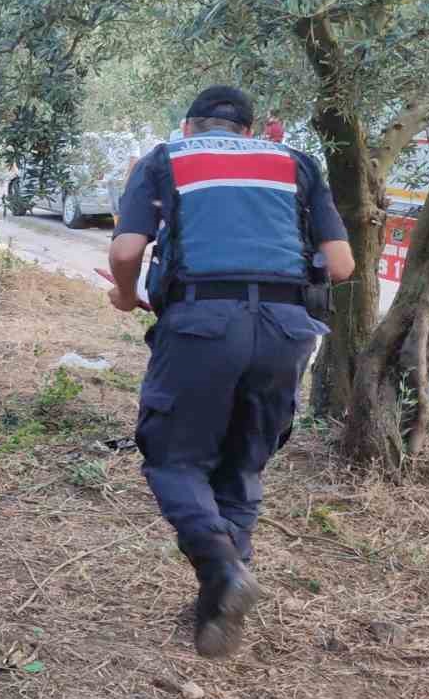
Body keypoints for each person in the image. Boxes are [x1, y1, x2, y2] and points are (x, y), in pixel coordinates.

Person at [107, 85, 354, 658]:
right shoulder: (296, 164)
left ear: (189, 126)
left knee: (175, 457)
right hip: (288, 332)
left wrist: (126, 297)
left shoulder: (167, 159)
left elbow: (125, 253)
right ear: (250, 131)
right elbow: (340, 265)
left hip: (201, 325)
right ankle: (216, 603)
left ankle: (221, 567)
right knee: (243, 463)